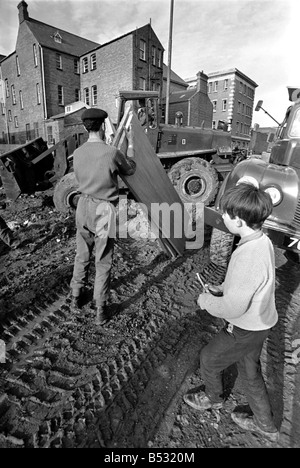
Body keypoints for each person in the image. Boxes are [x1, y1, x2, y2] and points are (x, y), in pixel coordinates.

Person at [183, 183, 280, 443]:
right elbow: (251, 282)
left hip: (245, 327)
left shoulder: (248, 255)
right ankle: (265, 424)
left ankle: (213, 398)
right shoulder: (261, 240)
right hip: (261, 324)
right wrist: (224, 287)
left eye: (226, 214)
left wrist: (206, 300)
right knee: (250, 371)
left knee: (209, 359)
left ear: (238, 220)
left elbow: (234, 308)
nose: (223, 216)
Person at [69, 107, 136, 326]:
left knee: (82, 254)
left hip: (83, 207)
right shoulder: (111, 152)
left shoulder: (77, 153)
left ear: (85, 127)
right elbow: (131, 170)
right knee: (103, 260)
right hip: (103, 210)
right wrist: (131, 148)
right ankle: (100, 309)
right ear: (103, 126)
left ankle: (75, 297)